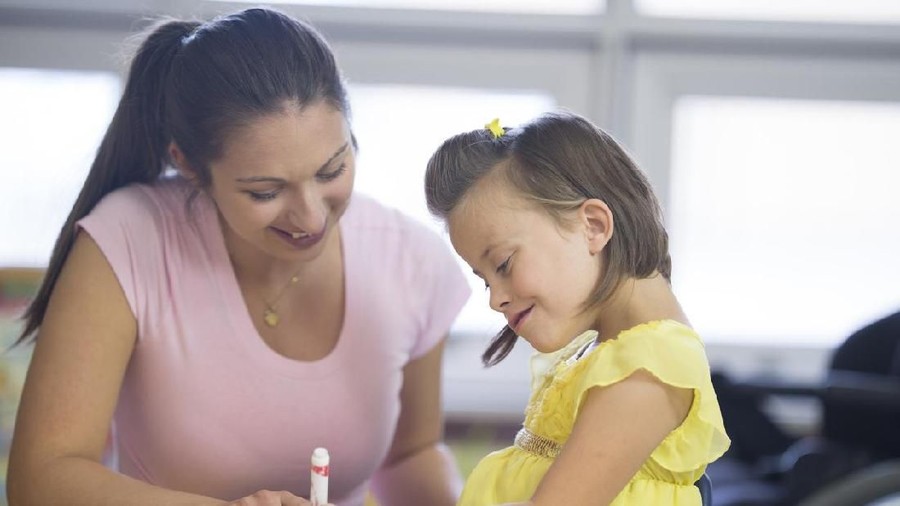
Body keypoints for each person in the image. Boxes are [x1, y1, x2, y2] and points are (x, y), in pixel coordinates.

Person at [7, 7, 470, 506]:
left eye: (331, 169)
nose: (311, 217)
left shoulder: (411, 261)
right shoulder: (126, 240)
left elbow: (411, 454)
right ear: (187, 163)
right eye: (265, 191)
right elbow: (42, 478)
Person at [424, 112, 731, 505]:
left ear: (593, 226)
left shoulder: (649, 367)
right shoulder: (598, 359)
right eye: (485, 279)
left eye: (502, 265)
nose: (494, 298)